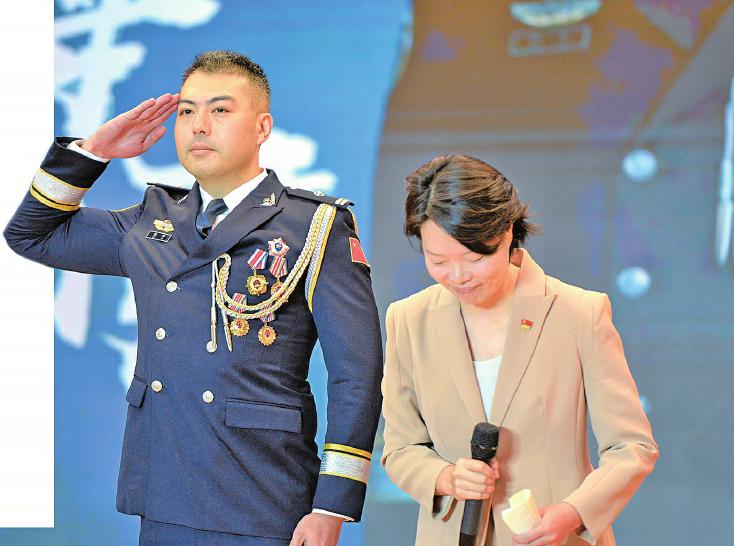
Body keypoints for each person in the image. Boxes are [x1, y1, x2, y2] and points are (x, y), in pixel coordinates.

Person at [4, 50, 383, 546]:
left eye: (220, 110)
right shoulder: (152, 220)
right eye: (187, 111)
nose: (199, 125)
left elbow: (357, 373)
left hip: (264, 496)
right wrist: (92, 152)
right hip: (166, 492)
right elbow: (32, 235)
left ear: (262, 127)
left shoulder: (313, 226)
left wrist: (332, 505)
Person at [380, 154, 658, 546]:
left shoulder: (579, 313)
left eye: (474, 258)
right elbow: (401, 447)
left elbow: (631, 446)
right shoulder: (409, 319)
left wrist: (574, 512)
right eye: (437, 260)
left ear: (507, 232)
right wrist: (446, 477)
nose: (457, 276)